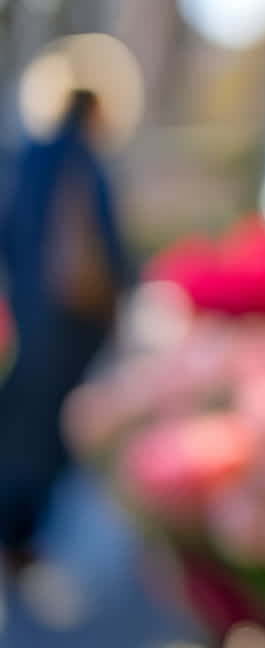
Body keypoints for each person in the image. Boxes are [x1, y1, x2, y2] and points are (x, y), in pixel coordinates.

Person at [0, 89, 131, 568]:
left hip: (28, 315)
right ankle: (21, 534)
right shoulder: (85, 164)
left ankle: (12, 527)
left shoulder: (30, 157)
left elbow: (8, 231)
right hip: (69, 322)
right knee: (50, 430)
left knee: (17, 419)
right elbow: (109, 247)